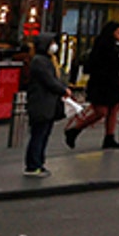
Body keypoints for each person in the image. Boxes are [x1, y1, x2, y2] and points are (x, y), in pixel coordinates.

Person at [65, 21, 119, 150]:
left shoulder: (118, 46)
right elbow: (101, 63)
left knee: (113, 109)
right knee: (101, 111)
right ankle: (75, 129)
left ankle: (109, 136)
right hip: (100, 82)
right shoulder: (102, 45)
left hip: (112, 81)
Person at [23, 37, 70, 177]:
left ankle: (38, 163)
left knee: (43, 134)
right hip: (41, 103)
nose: (54, 46)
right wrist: (63, 90)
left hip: (47, 103)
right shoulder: (40, 61)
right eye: (52, 43)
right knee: (39, 134)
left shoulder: (46, 60)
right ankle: (33, 165)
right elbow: (49, 81)